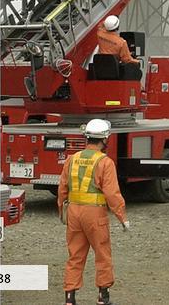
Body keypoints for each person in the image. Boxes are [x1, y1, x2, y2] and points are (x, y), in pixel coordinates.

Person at [58, 119, 129, 305]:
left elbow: (62, 189)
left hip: (74, 211)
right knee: (102, 254)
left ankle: (69, 298)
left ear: (86, 137)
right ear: (105, 139)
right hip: (95, 214)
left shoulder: (72, 159)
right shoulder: (105, 162)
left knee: (75, 255)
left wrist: (61, 211)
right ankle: (102, 297)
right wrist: (122, 216)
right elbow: (112, 193)